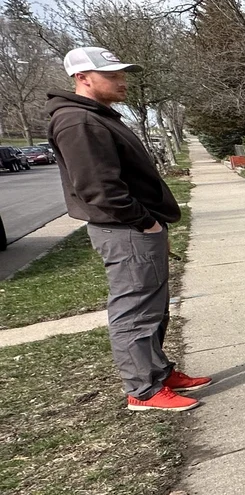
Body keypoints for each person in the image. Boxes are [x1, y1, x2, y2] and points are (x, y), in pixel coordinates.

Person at [46, 47, 209, 412]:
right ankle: (144, 390)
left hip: (136, 228)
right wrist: (146, 223)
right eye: (113, 75)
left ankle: (158, 372)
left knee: (153, 306)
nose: (123, 81)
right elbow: (100, 189)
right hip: (124, 229)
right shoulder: (79, 122)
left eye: (122, 74)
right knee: (135, 309)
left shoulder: (97, 117)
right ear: (83, 78)